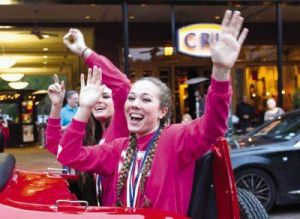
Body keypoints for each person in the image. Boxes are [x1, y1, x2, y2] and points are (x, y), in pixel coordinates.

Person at [50, 10, 248, 215]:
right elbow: (67, 154)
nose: (134, 104)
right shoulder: (118, 148)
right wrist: (83, 108)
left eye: (145, 99)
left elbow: (213, 126)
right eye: (132, 98)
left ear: (162, 111)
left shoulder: (175, 138)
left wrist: (221, 72)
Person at [46, 29, 130, 205]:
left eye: (105, 97)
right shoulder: (92, 132)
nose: (98, 102)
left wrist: (84, 51)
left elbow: (122, 85)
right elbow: (56, 147)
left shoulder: (121, 129)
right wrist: (56, 106)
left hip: (117, 211)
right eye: (94, 98)